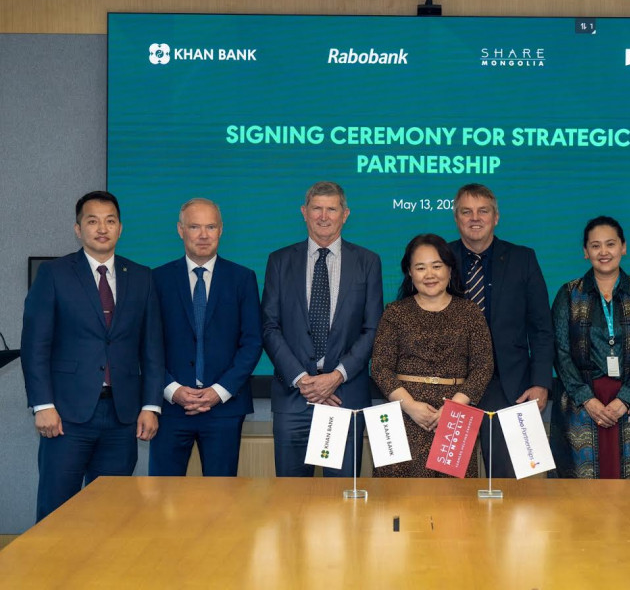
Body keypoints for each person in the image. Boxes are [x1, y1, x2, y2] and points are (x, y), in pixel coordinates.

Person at [21, 190, 164, 521]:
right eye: (93, 221)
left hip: (122, 416)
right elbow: (35, 345)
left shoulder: (141, 276)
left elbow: (152, 348)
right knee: (57, 510)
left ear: (120, 228)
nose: (102, 228)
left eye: (110, 221)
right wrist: (42, 405)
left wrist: (151, 406)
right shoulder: (54, 274)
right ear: (78, 229)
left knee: (112, 514)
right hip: (66, 416)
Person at [262, 181, 383, 477]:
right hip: (293, 398)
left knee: (340, 497)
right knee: (291, 497)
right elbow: (269, 326)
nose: (324, 216)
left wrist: (335, 377)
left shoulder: (368, 262)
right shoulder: (279, 261)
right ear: (304, 212)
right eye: (317, 208)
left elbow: (372, 329)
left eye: (332, 209)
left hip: (344, 397)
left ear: (345, 214)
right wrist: (304, 380)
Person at [149, 198, 262, 477]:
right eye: (194, 227)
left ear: (221, 230)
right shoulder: (156, 280)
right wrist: (172, 389)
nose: (203, 235)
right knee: (163, 496)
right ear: (180, 230)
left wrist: (219, 391)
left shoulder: (243, 278)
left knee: (221, 497)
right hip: (171, 408)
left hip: (224, 409)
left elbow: (252, 342)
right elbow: (147, 344)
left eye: (210, 227)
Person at [449, 183, 554, 478]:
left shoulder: (523, 258)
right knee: (453, 481)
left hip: (510, 388)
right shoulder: (441, 259)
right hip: (453, 386)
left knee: (509, 484)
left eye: (483, 211)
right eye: (466, 212)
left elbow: (541, 327)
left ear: (496, 217)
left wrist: (541, 382)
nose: (475, 218)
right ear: (456, 218)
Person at [371, 234, 494, 477]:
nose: (429, 274)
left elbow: (483, 366)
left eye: (437, 266)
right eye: (420, 268)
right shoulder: (395, 312)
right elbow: (380, 367)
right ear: (409, 272)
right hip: (403, 415)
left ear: (449, 269)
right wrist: (411, 407)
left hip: (455, 418)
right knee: (398, 495)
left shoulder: (470, 312)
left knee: (454, 497)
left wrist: (453, 409)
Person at [551, 216, 630, 479]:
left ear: (623, 247)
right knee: (580, 491)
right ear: (585, 252)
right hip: (581, 407)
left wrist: (625, 400)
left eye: (610, 244)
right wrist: (587, 399)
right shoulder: (569, 294)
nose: (604, 252)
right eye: (595, 246)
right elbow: (560, 352)